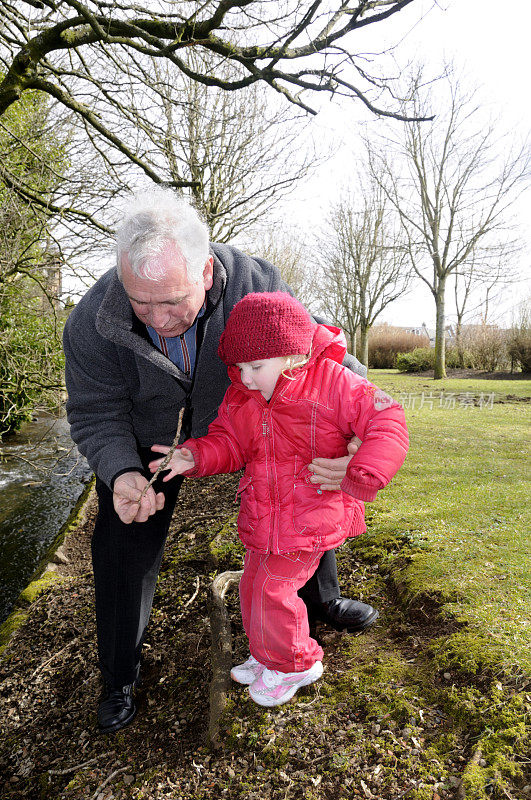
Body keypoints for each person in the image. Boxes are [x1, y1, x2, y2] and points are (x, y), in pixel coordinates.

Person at [64, 188, 377, 732]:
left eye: (171, 300)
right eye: (141, 302)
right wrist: (121, 472)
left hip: (253, 416)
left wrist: (354, 434)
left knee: (303, 487)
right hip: (148, 437)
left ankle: (323, 599)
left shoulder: (255, 284)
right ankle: (119, 674)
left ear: (206, 272)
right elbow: (95, 412)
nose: (158, 318)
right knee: (121, 540)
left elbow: (320, 353)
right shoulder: (92, 321)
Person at [149, 292, 409, 707]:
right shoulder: (243, 397)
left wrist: (364, 473)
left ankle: (296, 663)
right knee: (253, 587)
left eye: (256, 367)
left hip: (310, 517)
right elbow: (229, 442)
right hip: (264, 517)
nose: (246, 377)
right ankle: (267, 654)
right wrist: (194, 456)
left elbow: (388, 419)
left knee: (273, 591)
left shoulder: (333, 383)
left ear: (291, 355)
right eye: (239, 367)